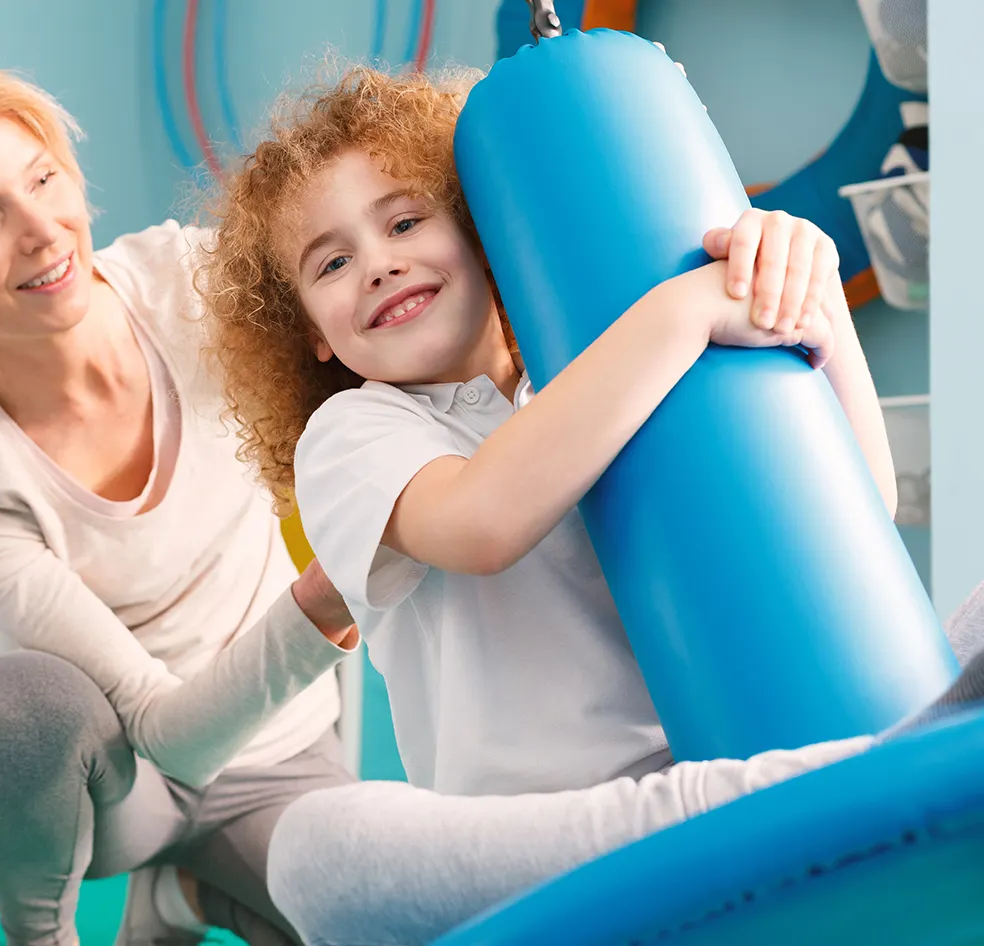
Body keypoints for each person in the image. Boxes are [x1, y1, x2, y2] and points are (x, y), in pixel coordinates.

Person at [198, 64, 984, 944]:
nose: (379, 265)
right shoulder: (350, 436)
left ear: (484, 236)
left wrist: (807, 291)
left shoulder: (605, 367)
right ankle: (868, 785)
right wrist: (689, 308)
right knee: (316, 848)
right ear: (310, 332)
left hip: (745, 747)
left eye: (407, 221)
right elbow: (482, 521)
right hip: (565, 844)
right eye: (333, 263)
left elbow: (857, 513)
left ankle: (858, 785)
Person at [0, 58, 361, 946]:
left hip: (281, 758)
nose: (42, 232)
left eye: (42, 180)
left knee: (386, 924)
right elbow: (167, 734)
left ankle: (183, 898)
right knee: (14, 704)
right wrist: (329, 601)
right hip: (125, 785)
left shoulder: (196, 282)